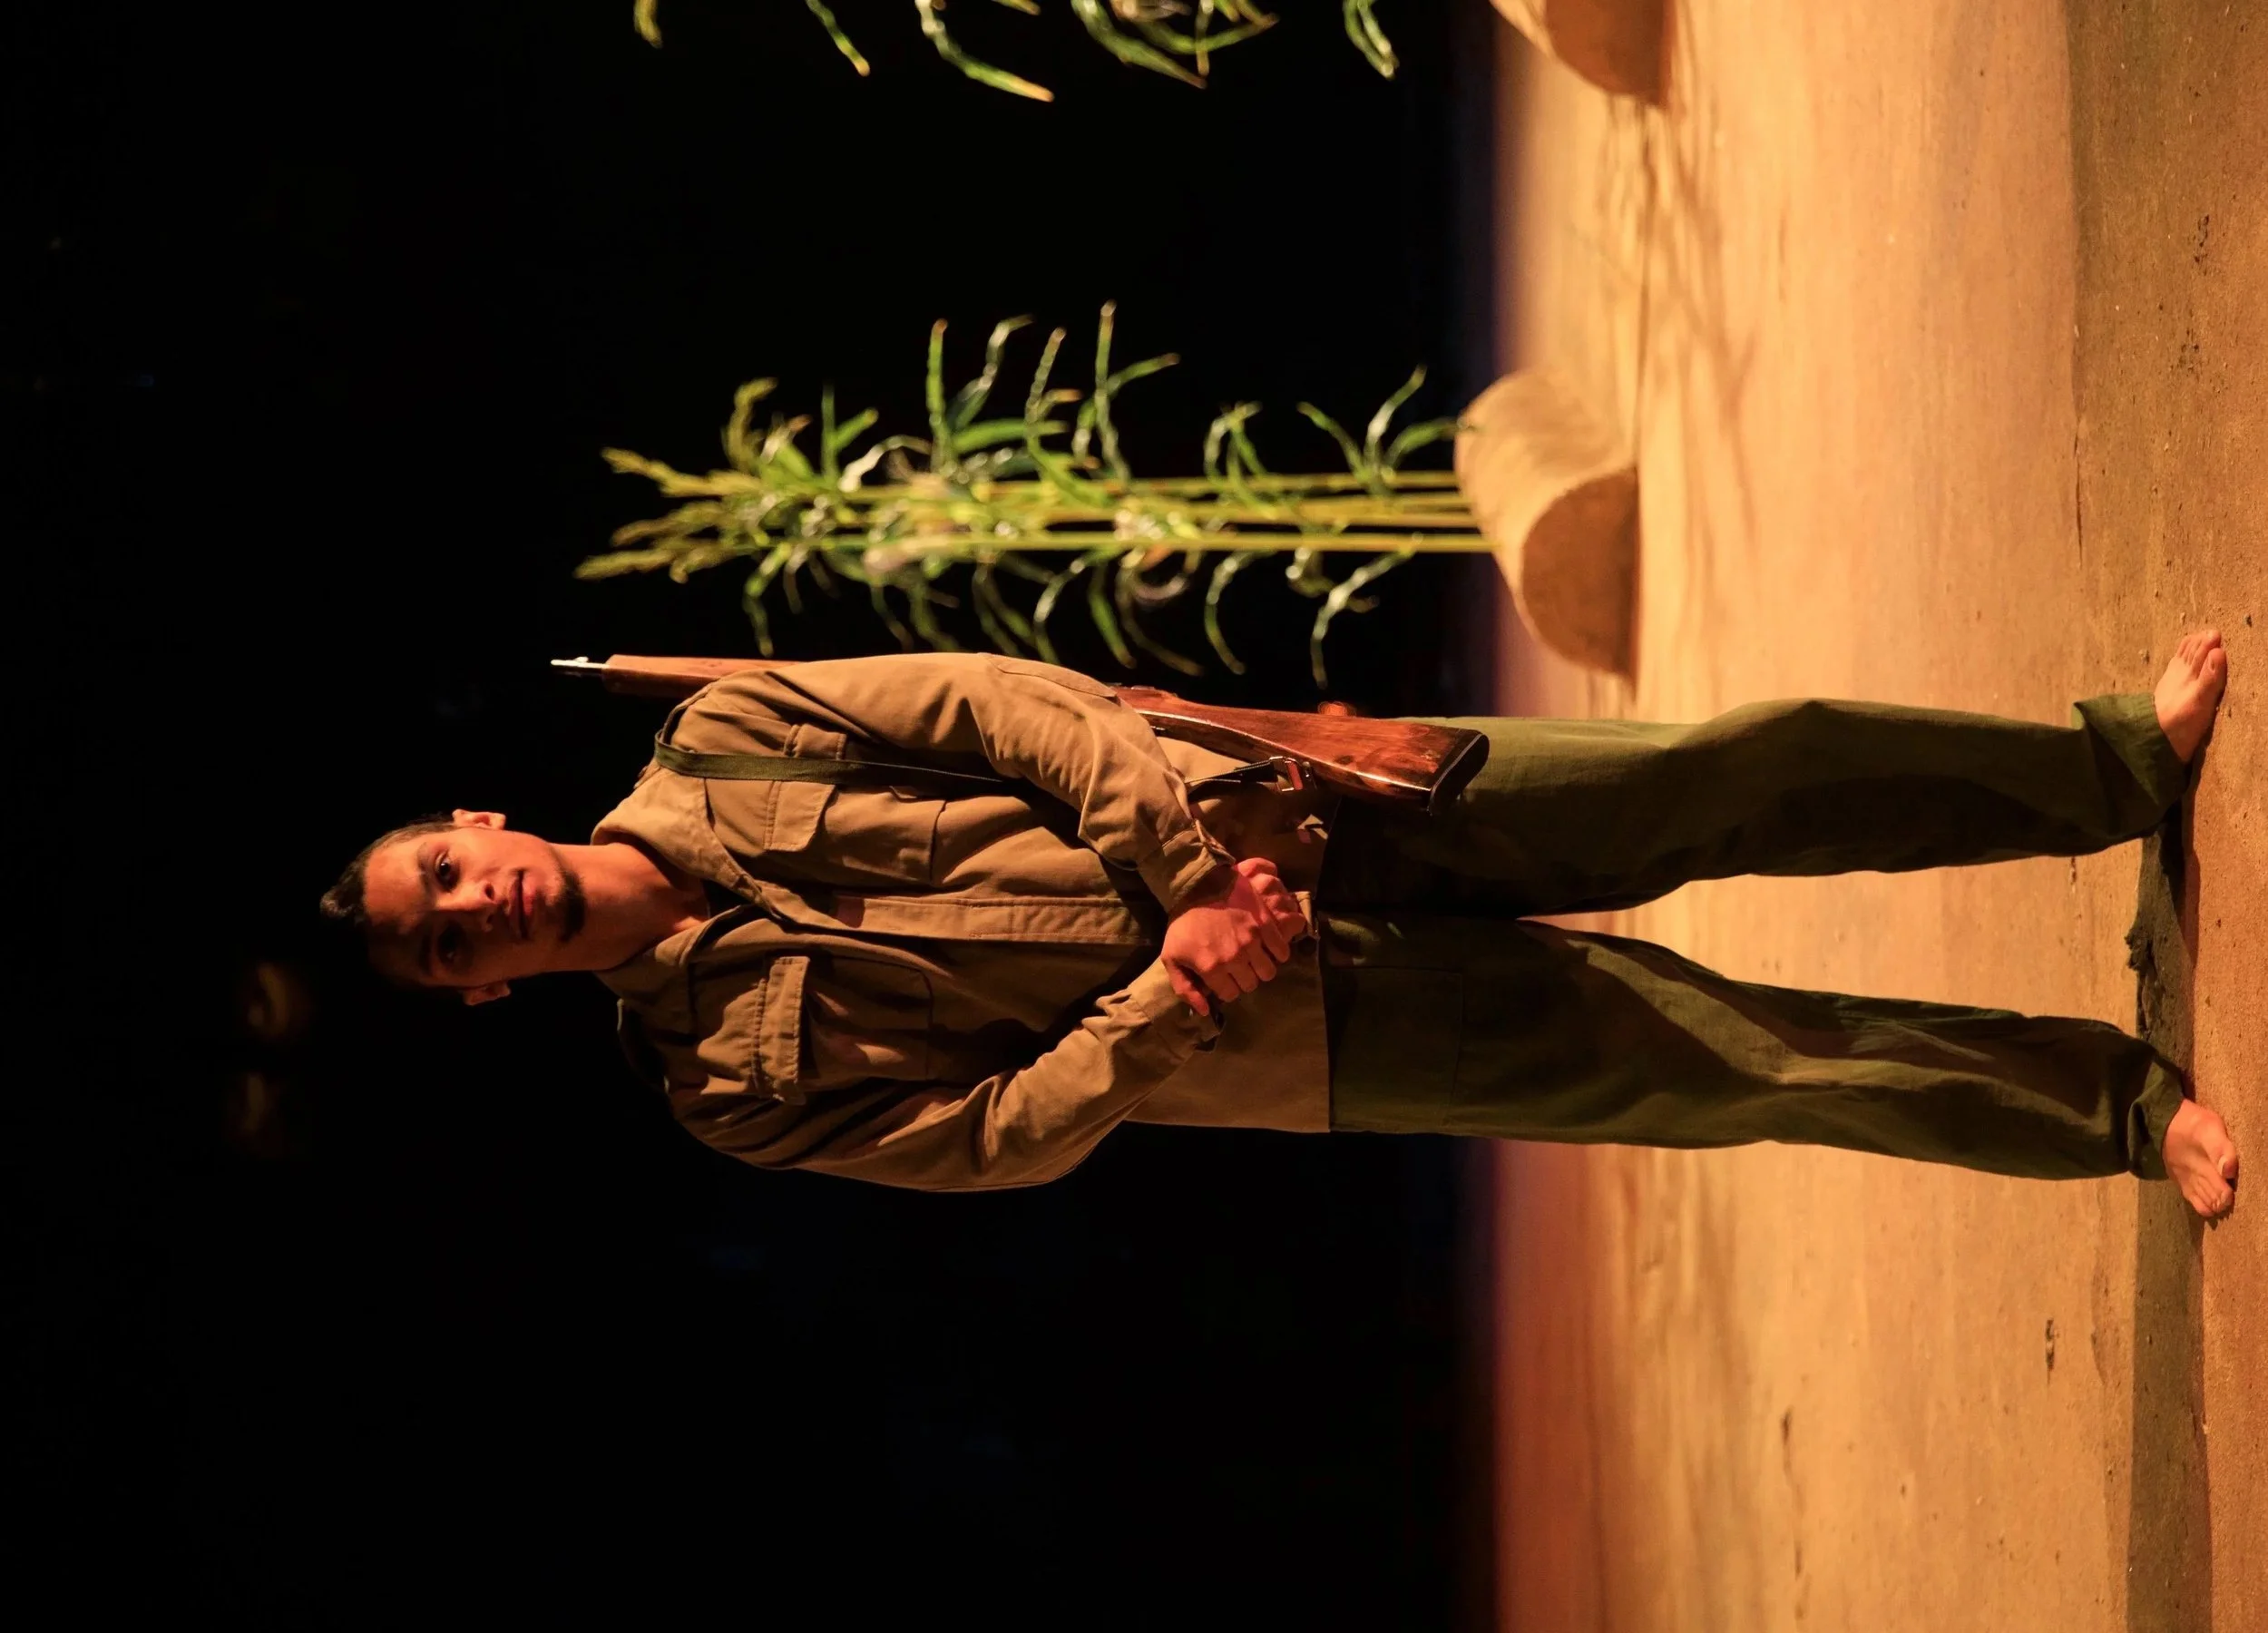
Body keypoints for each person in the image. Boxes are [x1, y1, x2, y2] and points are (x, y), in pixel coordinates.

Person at [318, 631, 2241, 1217]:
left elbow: (1005, 707)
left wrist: (1184, 882)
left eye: (447, 878)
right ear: (479, 995)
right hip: (1304, 1037)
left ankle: (2102, 769)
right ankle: (2108, 1108)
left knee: (1729, 770)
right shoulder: (721, 1091)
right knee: (1738, 1069)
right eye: (446, 945)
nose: (477, 911)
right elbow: (987, 1141)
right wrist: (1173, 997)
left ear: (481, 826)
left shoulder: (726, 731)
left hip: (1299, 805)